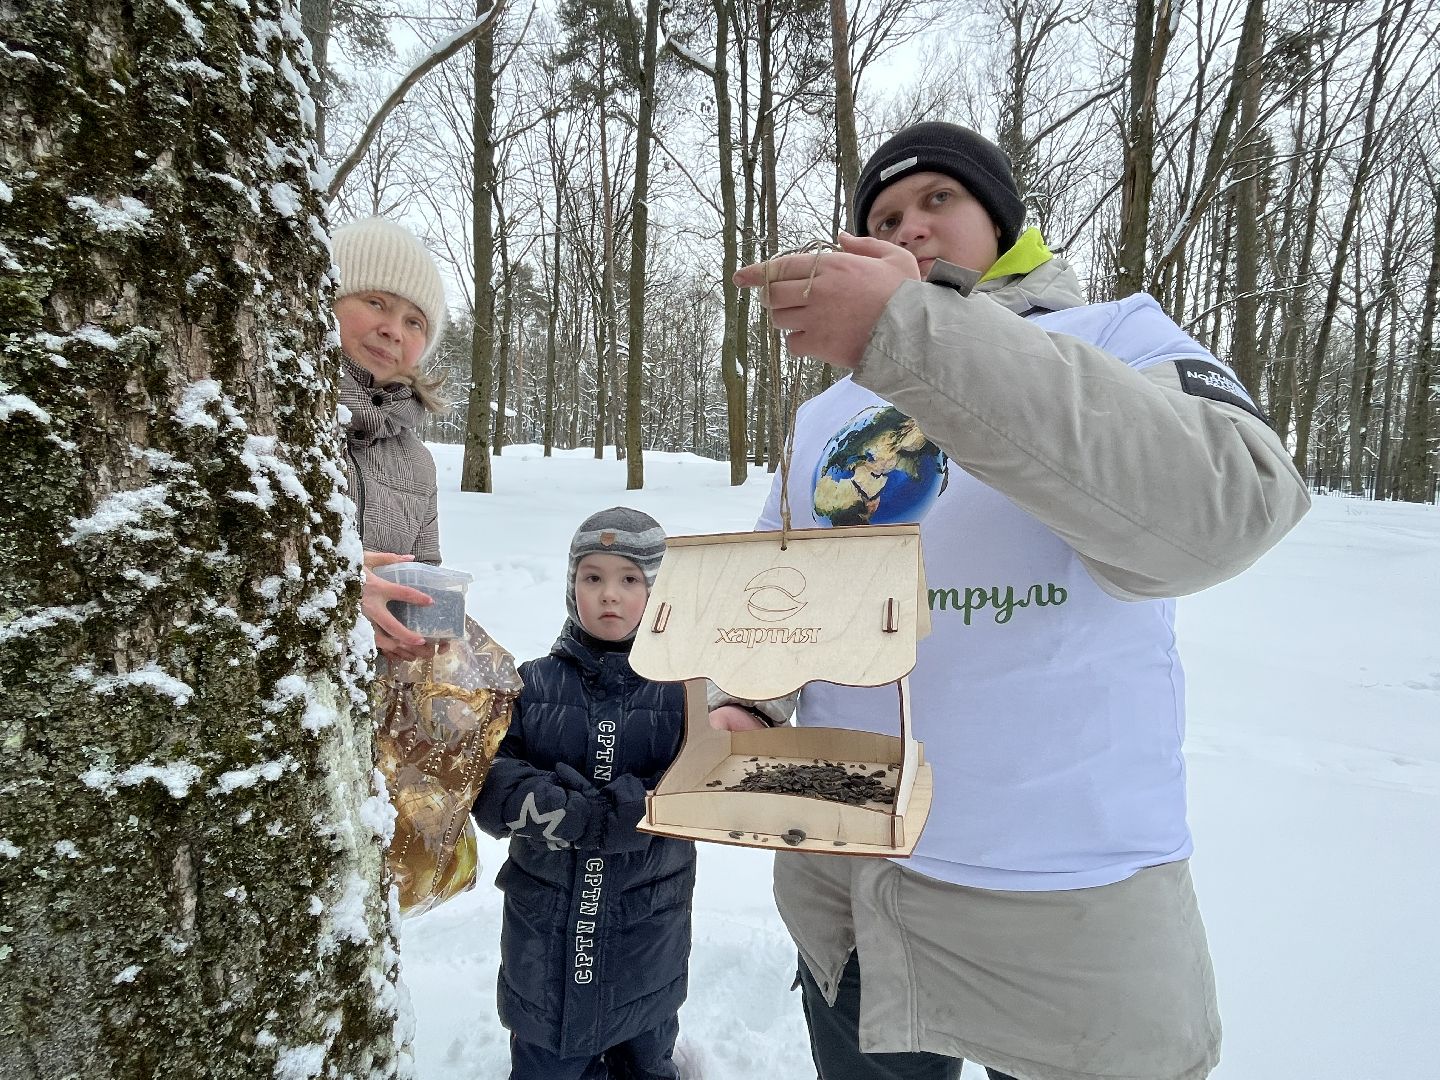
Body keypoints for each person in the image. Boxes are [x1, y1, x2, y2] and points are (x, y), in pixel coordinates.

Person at [730, 122, 1312, 1080]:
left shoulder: (1119, 334)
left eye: (937, 201)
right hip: (851, 888)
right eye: (882, 216)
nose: (910, 226)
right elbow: (776, 593)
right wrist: (748, 696)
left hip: (1061, 912)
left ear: (1000, 217)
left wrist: (912, 330)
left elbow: (1231, 507)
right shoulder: (829, 409)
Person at [472, 507, 695, 1080]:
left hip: (647, 927)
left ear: (657, 589)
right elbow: (485, 776)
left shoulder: (686, 694)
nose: (609, 596)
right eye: (592, 577)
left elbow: (701, 785)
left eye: (630, 579)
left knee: (645, 1058)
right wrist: (561, 812)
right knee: (547, 1058)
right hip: (543, 927)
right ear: (572, 586)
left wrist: (618, 815)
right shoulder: (531, 681)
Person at [332, 216, 449, 662]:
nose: (393, 330)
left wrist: (428, 622)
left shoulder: (416, 461)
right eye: (375, 301)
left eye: (414, 322)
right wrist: (341, 588)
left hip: (373, 698)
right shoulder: (273, 412)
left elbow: (424, 576)